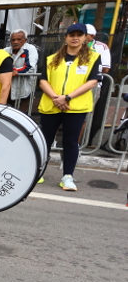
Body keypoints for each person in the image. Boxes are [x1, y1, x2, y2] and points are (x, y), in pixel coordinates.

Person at [37, 23, 101, 192]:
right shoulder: (51, 58)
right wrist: (55, 98)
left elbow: (92, 81)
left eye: (79, 35)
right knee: (45, 140)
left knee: (71, 141)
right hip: (51, 105)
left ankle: (67, 176)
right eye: (72, 34)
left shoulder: (93, 57)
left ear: (85, 38)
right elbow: (43, 80)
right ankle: (38, 171)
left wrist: (68, 97)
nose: (75, 38)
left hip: (76, 107)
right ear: (65, 37)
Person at [85, 24, 112, 146]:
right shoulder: (73, 45)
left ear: (92, 36)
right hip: (72, 84)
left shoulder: (101, 47)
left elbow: (106, 69)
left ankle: (82, 143)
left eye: (83, 34)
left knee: (85, 115)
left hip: (92, 85)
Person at [8, 29, 39, 108]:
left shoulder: (30, 49)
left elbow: (29, 68)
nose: (15, 42)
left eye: (19, 39)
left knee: (21, 115)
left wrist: (14, 71)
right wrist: (10, 71)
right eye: (13, 40)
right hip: (8, 88)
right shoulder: (5, 50)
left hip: (24, 89)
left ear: (25, 40)